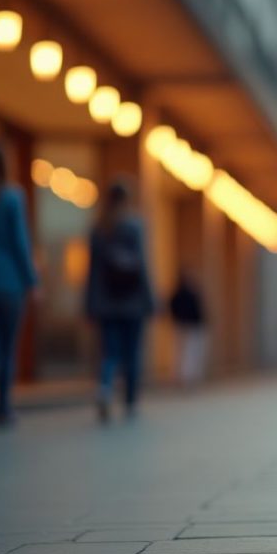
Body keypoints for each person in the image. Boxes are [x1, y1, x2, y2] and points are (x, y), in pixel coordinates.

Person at [84, 180, 154, 422]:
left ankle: (105, 387)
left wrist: (90, 304)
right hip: (132, 303)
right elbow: (142, 266)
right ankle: (130, 400)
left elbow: (92, 272)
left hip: (106, 303)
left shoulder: (99, 229)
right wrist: (149, 299)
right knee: (132, 352)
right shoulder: (134, 225)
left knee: (109, 352)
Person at [0, 144, 39, 429]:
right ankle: (3, 410)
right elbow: (20, 244)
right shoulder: (11, 197)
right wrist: (32, 281)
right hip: (8, 285)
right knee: (6, 350)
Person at [169, 269, 207, 385]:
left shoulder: (177, 294)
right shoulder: (190, 293)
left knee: (183, 353)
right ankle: (187, 378)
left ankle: (184, 377)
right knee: (190, 353)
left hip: (183, 325)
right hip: (192, 325)